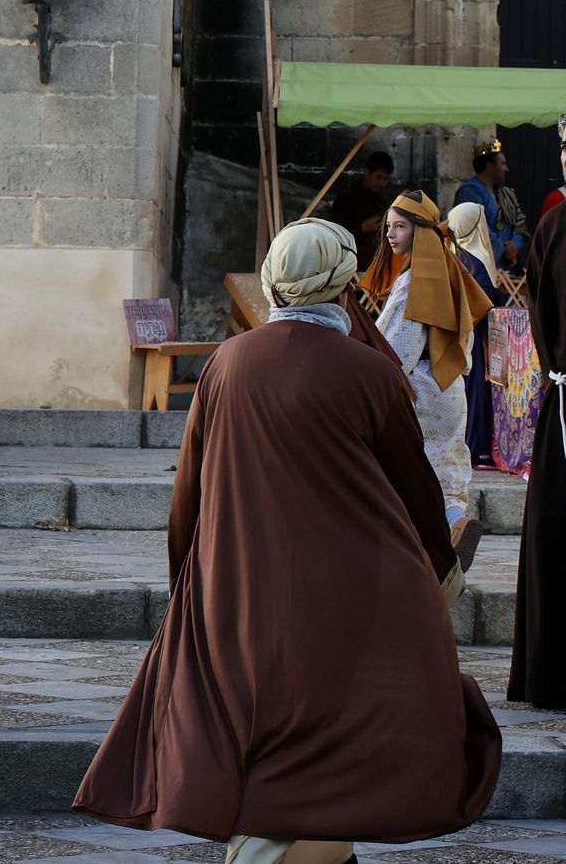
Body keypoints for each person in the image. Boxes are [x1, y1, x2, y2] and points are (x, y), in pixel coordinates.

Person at [73, 218, 501, 863]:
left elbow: (190, 487)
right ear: (342, 284)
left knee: (268, 746)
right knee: (330, 748)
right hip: (349, 593)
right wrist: (440, 572)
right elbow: (416, 491)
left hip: (241, 584)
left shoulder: (226, 365)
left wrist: (190, 580)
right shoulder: (368, 373)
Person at [360, 190, 494, 570]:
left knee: (408, 468)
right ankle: (456, 523)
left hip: (418, 388)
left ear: (421, 230)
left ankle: (413, 551)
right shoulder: (452, 270)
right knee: (447, 466)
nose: (389, 234)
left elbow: (396, 349)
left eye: (400, 226)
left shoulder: (413, 281)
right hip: (451, 386)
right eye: (388, 226)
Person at [508, 113, 566, 710]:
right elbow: (542, 305)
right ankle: (551, 674)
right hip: (565, 399)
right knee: (554, 529)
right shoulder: (554, 225)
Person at [448, 202, 508, 469]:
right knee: (475, 391)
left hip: (456, 335)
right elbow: (484, 298)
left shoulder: (451, 256)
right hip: (474, 336)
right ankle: (477, 449)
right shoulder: (475, 260)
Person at [454, 139, 529, 275]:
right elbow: (475, 229)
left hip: (506, 269)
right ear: (489, 166)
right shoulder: (469, 192)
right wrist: (502, 249)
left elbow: (520, 225)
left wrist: (515, 245)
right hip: (480, 270)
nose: (507, 169)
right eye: (503, 164)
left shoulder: (507, 194)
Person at [327, 150, 394, 264]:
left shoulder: (388, 200)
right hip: (352, 265)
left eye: (386, 179)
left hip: (381, 263)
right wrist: (362, 228)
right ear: (366, 172)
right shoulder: (345, 200)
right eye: (378, 177)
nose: (382, 183)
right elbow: (333, 237)